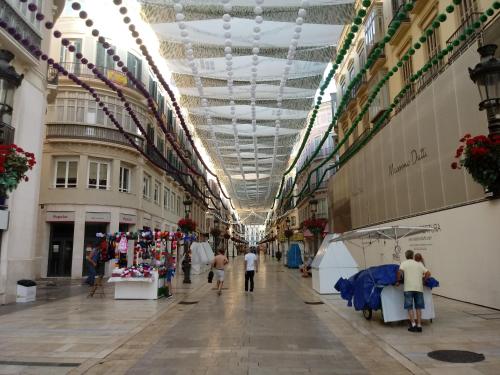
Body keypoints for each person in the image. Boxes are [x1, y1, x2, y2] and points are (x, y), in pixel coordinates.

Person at [397, 249, 431, 333]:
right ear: (412, 256)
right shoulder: (418, 264)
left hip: (408, 288)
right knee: (418, 307)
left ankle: (413, 325)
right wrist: (424, 281)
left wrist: (397, 281)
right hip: (419, 288)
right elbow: (428, 273)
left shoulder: (404, 263)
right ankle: (419, 325)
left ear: (406, 256)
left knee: (409, 307)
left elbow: (399, 272)